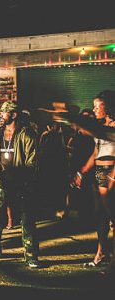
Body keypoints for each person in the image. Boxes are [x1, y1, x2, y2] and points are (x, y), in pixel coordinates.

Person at [0, 100, 40, 268]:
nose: (1, 115)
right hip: (1, 181)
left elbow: (33, 161)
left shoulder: (26, 134)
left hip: (22, 182)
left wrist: (23, 177)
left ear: (13, 115)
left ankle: (31, 255)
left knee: (26, 219)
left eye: (4, 113)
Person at [73, 91, 114, 272]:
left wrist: (113, 175)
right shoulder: (100, 128)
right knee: (101, 216)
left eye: (98, 106)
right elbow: (96, 152)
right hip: (99, 171)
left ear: (109, 107)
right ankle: (101, 253)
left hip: (110, 172)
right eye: (94, 106)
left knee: (112, 217)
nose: (95, 109)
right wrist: (82, 172)